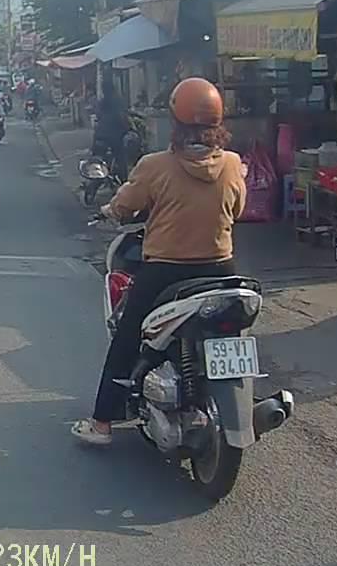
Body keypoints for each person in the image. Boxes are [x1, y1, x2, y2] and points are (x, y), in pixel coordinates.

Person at [72, 77, 247, 446]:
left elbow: (125, 205)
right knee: (234, 331)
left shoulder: (155, 165)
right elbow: (237, 210)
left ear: (175, 121)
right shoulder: (232, 164)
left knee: (127, 336)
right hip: (222, 270)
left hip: (166, 271)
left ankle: (101, 424)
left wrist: (109, 211)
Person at [92, 78, 130, 178]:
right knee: (120, 158)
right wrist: (127, 128)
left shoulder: (102, 102)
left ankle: (96, 178)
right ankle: (123, 180)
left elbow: (98, 115)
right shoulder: (118, 101)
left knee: (96, 158)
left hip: (100, 135)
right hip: (115, 136)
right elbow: (122, 117)